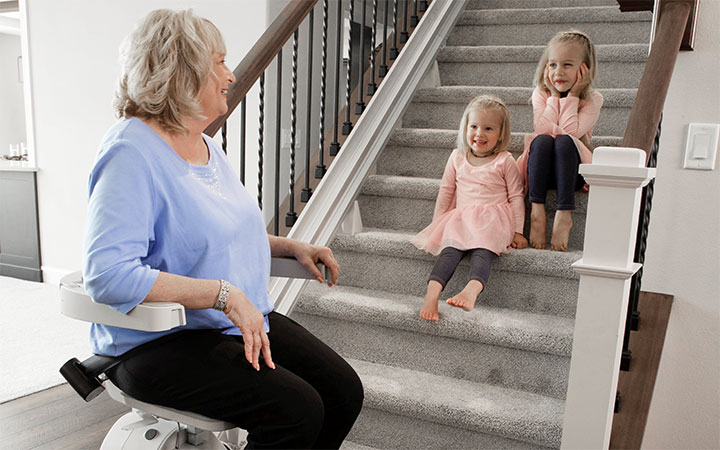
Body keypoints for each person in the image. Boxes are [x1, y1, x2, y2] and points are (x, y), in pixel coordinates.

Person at [82, 9, 363, 449]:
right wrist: (224, 295)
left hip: (219, 325)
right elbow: (108, 275)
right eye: (220, 62)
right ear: (184, 69)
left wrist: (291, 246)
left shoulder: (207, 145)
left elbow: (218, 233)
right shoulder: (130, 152)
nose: (230, 76)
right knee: (296, 410)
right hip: (156, 341)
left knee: (343, 392)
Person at [412, 95, 527, 322]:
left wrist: (519, 230)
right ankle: (432, 294)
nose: (479, 134)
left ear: (501, 134)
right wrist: (438, 223)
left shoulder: (504, 161)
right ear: (466, 127)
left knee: (484, 252)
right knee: (450, 251)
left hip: (493, 218)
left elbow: (516, 196)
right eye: (474, 126)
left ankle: (472, 290)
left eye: (488, 128)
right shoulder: (457, 157)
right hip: (462, 218)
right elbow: (446, 192)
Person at [516, 30, 603, 252]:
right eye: (553, 65)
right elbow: (542, 129)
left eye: (567, 65)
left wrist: (573, 95)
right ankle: (537, 212)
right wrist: (554, 96)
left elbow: (570, 131)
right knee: (543, 141)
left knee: (564, 141)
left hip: (571, 173)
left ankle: (564, 213)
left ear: (584, 69)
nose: (558, 72)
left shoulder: (593, 100)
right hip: (540, 171)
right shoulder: (541, 94)